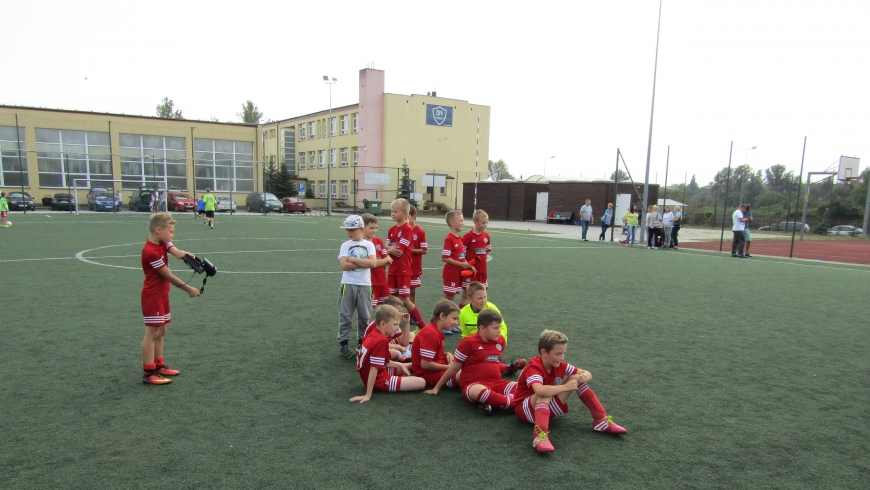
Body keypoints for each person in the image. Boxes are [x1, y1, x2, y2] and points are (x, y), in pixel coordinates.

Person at [513, 329, 627, 453]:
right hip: (526, 411)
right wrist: (565, 387)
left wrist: (587, 375)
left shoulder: (560, 364)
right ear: (544, 352)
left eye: (563, 353)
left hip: (544, 409)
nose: (562, 358)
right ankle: (539, 436)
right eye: (558, 354)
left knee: (577, 378)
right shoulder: (534, 367)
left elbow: (584, 372)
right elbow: (540, 391)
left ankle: (601, 421)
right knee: (545, 392)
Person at [425, 309, 526, 415]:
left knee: (523, 387)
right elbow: (455, 367)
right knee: (479, 391)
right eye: (495, 328)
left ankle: (497, 404)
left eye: (499, 327)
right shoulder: (468, 343)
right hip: (473, 385)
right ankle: (512, 402)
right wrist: (437, 387)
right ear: (482, 328)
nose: (499, 331)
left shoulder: (500, 341)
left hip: (496, 383)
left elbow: (494, 363)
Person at [139, 212, 200, 385]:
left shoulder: (163, 242)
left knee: (162, 331)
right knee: (152, 333)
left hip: (162, 294)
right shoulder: (151, 252)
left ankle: (159, 365)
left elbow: (175, 250)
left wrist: (186, 255)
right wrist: (188, 289)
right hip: (152, 296)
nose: (172, 236)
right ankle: (149, 372)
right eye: (171, 232)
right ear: (159, 230)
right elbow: (168, 276)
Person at [350, 305, 426, 403]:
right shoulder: (381, 340)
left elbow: (381, 362)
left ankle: (405, 373)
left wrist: (400, 365)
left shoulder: (375, 333)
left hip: (378, 372)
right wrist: (368, 395)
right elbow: (374, 368)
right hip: (379, 380)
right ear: (383, 324)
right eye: (395, 324)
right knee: (421, 382)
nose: (398, 328)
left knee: (410, 365)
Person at [458, 281, 525, 375]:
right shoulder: (463, 313)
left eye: (485, 297)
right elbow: (465, 333)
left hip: (493, 340)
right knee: (475, 362)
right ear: (469, 299)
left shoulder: (491, 308)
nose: (483, 300)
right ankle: (508, 367)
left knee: (485, 362)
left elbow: (501, 329)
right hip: (476, 343)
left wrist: (497, 343)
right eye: (480, 298)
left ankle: (504, 367)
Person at [337, 215, 377, 358]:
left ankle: (362, 342)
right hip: (348, 284)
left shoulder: (369, 245)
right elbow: (344, 266)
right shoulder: (345, 245)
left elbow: (373, 263)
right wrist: (362, 261)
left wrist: (352, 259)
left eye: (352, 229)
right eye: (347, 229)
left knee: (365, 316)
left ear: (361, 229)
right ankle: (344, 343)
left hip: (365, 285)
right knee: (345, 315)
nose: (349, 232)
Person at [385, 198, 428, 331]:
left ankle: (422, 326)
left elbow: (400, 250)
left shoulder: (408, 229)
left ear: (405, 214)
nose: (392, 214)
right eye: (391, 211)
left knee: (405, 299)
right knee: (393, 299)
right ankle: (393, 328)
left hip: (403, 269)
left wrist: (389, 249)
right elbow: (385, 248)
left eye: (395, 211)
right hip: (392, 268)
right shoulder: (392, 229)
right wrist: (390, 249)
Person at [411, 299, 462, 388]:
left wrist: (447, 354)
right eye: (454, 318)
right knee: (467, 375)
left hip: (437, 369)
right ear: (442, 316)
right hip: (428, 375)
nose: (456, 323)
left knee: (470, 365)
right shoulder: (430, 334)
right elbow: (425, 364)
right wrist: (450, 368)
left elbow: (435, 355)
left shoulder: (436, 331)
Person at [441, 210, 475, 324]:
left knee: (452, 298)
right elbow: (445, 257)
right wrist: (462, 264)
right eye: (460, 220)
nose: (463, 223)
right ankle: (441, 321)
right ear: (452, 222)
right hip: (451, 273)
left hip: (458, 274)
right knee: (448, 299)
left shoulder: (459, 239)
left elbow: (461, 257)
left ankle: (449, 322)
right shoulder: (449, 238)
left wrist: (469, 266)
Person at [460, 209, 491, 308]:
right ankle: (461, 315)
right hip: (471, 272)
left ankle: (481, 315)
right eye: (483, 223)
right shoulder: (468, 236)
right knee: (466, 294)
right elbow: (461, 254)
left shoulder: (486, 236)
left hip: (482, 272)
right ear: (475, 222)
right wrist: (468, 265)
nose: (485, 225)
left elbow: (486, 252)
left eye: (486, 223)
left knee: (482, 295)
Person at [362, 213, 393, 309]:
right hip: (370, 282)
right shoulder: (362, 244)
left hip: (383, 282)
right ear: (362, 228)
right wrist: (379, 261)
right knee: (369, 309)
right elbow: (369, 264)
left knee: (389, 307)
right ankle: (368, 324)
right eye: (371, 228)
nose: (374, 230)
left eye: (376, 228)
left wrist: (375, 262)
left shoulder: (379, 241)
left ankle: (384, 324)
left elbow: (389, 260)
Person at [408, 205, 428, 309]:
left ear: (413, 216)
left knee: (412, 291)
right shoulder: (399, 230)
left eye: (407, 217)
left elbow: (424, 250)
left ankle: (412, 314)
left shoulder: (420, 232)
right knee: (398, 292)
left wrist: (410, 250)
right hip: (402, 266)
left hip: (414, 266)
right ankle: (397, 313)